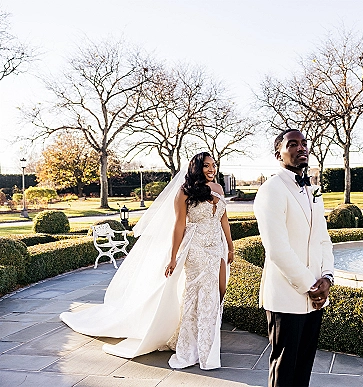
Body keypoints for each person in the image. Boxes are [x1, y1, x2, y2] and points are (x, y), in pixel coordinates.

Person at [60, 152, 234, 370]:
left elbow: (224, 219)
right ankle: (199, 350)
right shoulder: (184, 192)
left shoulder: (218, 188)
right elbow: (179, 225)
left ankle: (201, 337)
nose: (211, 169)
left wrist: (230, 244)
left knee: (218, 290)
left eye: (213, 165)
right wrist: (173, 258)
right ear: (197, 168)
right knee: (200, 293)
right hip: (196, 248)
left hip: (216, 246)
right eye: (206, 166)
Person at [253, 129, 335, 387]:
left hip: (315, 297)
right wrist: (310, 285)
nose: (301, 148)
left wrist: (327, 278)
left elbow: (323, 238)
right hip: (287, 297)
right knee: (284, 370)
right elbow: (277, 249)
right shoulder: (271, 190)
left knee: (303, 368)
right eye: (293, 144)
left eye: (303, 143)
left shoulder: (313, 189)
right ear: (279, 154)